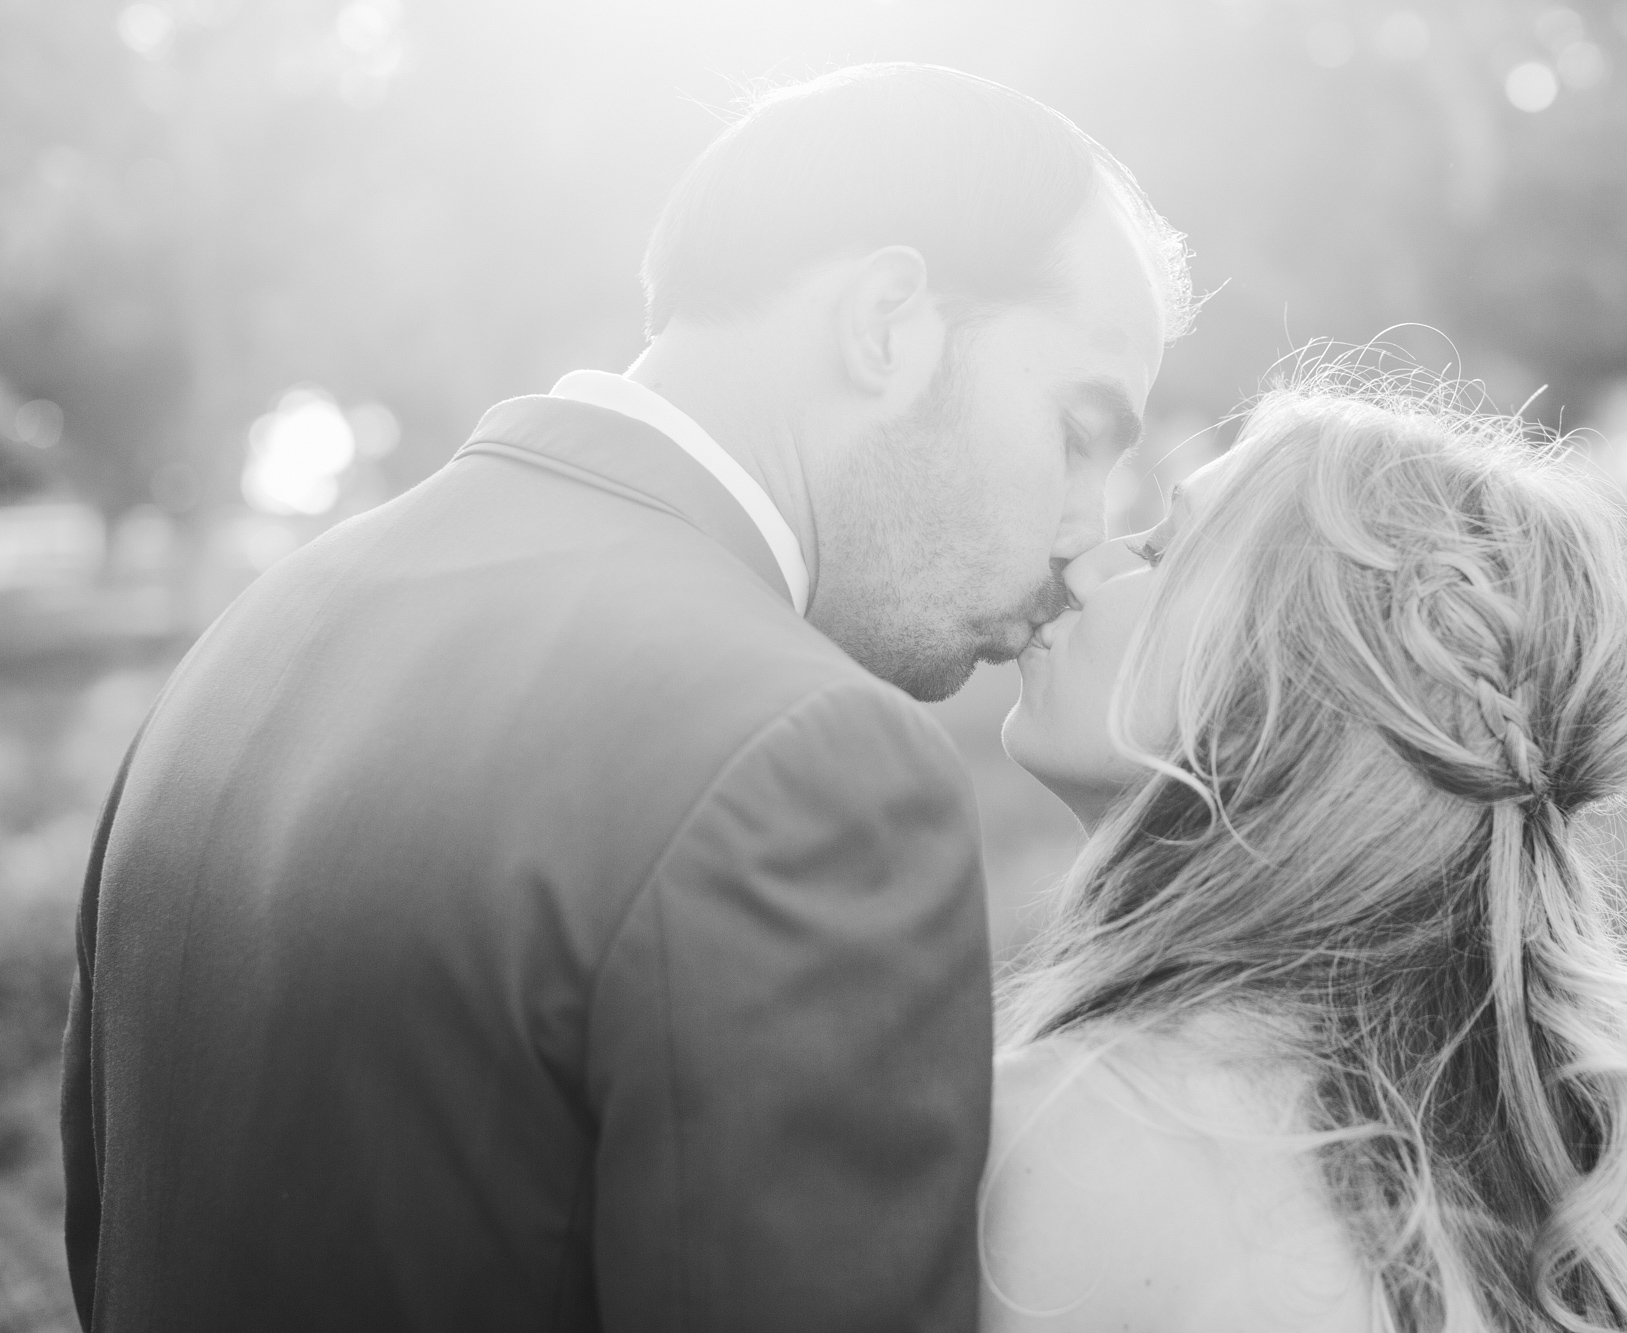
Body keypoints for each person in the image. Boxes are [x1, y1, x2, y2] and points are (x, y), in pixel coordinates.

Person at [61, 64, 1189, 1331]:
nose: (1084, 532)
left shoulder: (262, 629)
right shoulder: (802, 762)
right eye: (1079, 429)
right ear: (886, 322)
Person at [982, 375, 1627, 1332]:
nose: (1084, 565)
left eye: (1164, 549)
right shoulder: (1526, 1167)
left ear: (1284, 687)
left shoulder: (1061, 1135)